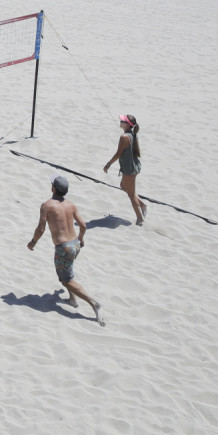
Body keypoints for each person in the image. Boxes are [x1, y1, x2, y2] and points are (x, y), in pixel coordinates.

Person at [27, 176, 106, 327]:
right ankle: (72, 299)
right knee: (67, 271)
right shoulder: (71, 204)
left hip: (63, 248)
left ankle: (94, 303)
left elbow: (41, 229)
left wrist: (33, 242)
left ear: (54, 188)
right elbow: (83, 225)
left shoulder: (46, 205)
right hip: (75, 244)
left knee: (66, 280)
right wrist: (81, 239)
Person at [103, 114, 147, 225]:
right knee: (123, 186)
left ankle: (140, 218)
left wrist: (108, 164)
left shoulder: (124, 137)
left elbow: (118, 154)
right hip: (134, 166)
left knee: (131, 196)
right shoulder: (132, 133)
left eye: (123, 121)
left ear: (127, 125)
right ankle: (141, 204)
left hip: (129, 170)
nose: (120, 121)